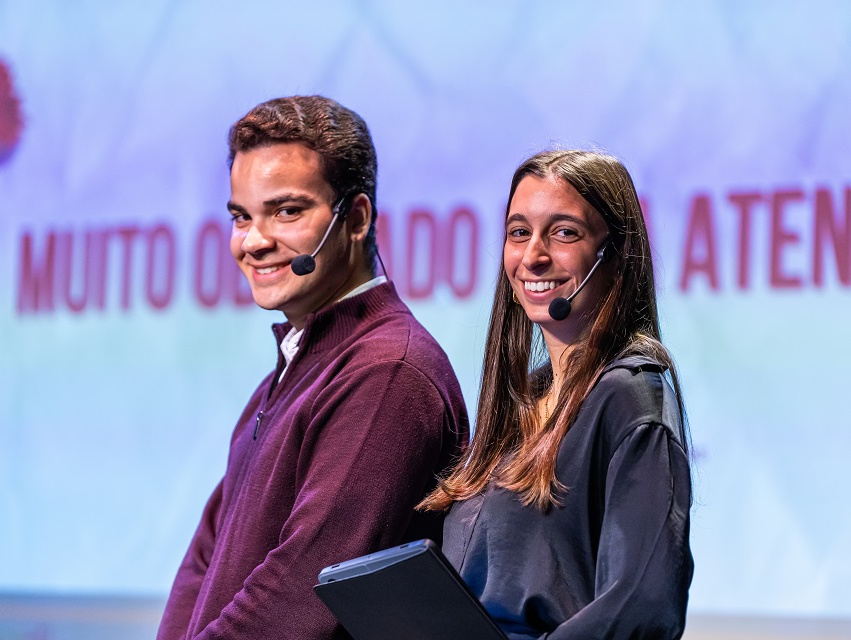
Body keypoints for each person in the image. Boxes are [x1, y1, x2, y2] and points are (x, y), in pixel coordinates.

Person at [157, 95, 469, 640]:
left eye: (286, 211)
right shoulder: (286, 376)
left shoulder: (388, 372)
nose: (254, 242)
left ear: (356, 218)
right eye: (241, 217)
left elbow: (304, 588)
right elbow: (201, 566)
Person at [419, 149, 693, 639]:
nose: (533, 256)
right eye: (519, 232)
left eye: (564, 232)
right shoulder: (521, 404)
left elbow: (640, 606)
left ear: (616, 255)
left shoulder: (630, 396)